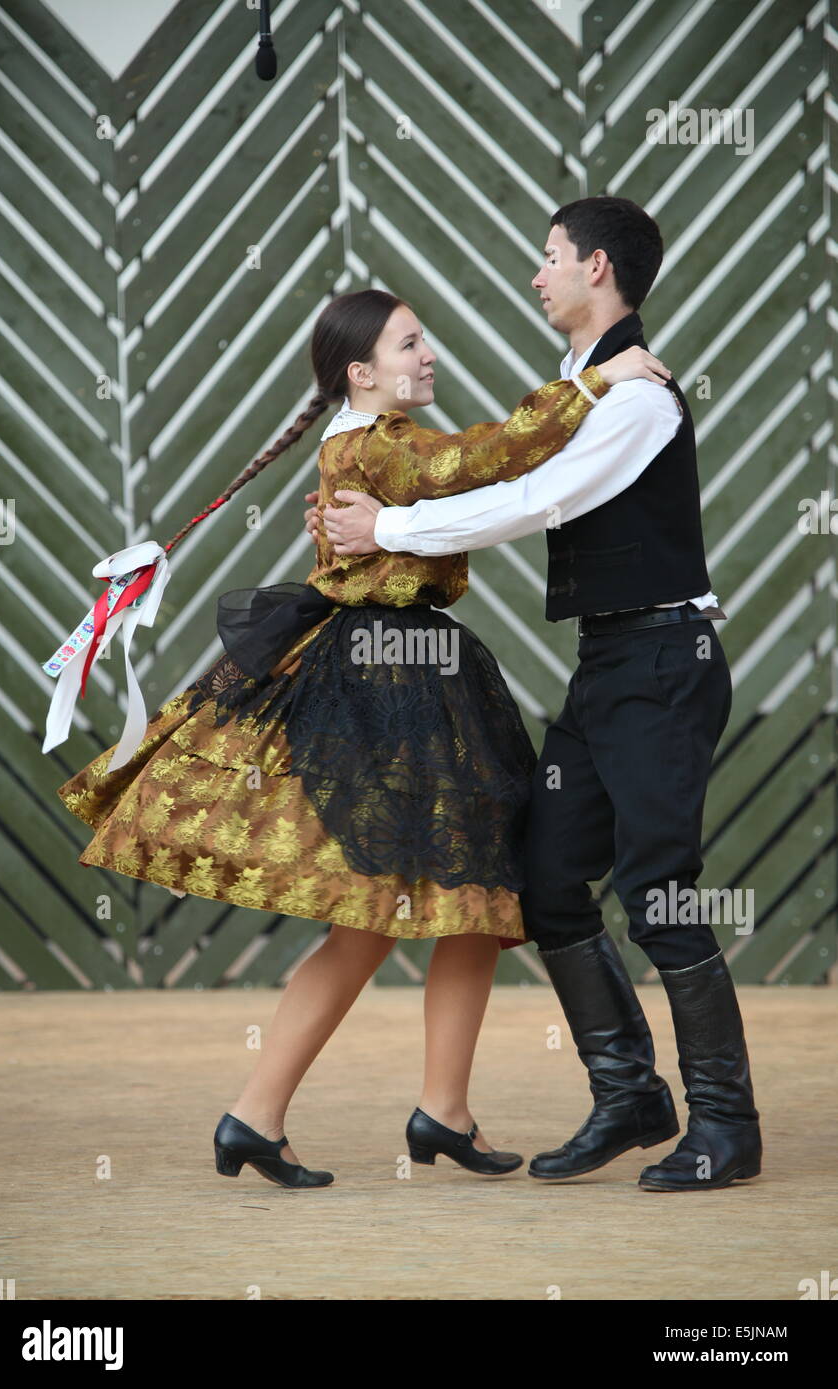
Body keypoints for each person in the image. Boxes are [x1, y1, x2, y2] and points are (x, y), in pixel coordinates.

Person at [54, 287, 667, 1190]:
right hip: (387, 683)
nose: (428, 356)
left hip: (413, 669)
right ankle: (264, 1116)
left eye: (424, 340)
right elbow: (488, 456)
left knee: (477, 890)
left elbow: (474, 476)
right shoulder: (381, 446)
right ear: (361, 371)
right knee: (386, 909)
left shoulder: (365, 445)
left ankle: (430, 1111)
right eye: (410, 344)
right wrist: (597, 382)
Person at [313, 198, 762, 1194]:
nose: (534, 274)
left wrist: (384, 532)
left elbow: (534, 502)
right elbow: (502, 466)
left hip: (663, 665)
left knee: (658, 894)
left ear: (593, 268)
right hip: (607, 667)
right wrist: (388, 520)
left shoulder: (638, 397)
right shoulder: (579, 387)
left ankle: (725, 1124)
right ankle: (629, 1095)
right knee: (549, 879)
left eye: (547, 258)